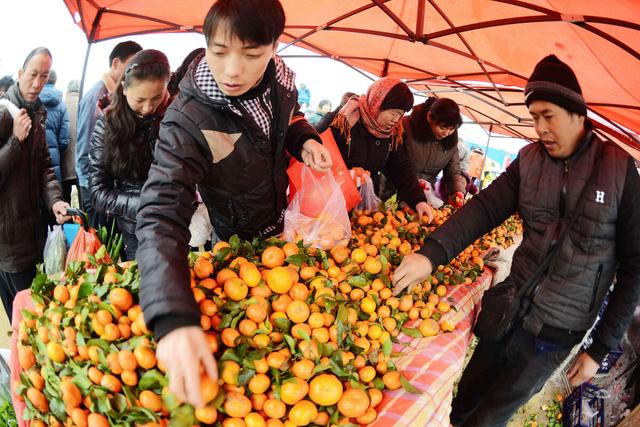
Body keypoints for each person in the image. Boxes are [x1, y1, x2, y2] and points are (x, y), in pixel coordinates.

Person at [392, 54, 640, 426]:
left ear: (577, 113)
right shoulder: (528, 161)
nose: (540, 127)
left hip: (555, 334)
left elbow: (635, 267)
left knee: (492, 416)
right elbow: (485, 209)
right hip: (508, 309)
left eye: (548, 115)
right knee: (463, 405)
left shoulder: (620, 171)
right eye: (534, 116)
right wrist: (431, 254)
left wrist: (599, 347)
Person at [136, 0, 331, 408]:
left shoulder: (281, 83)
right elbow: (160, 210)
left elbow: (287, 121)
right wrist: (170, 315)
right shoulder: (187, 118)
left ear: (275, 47)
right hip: (235, 240)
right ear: (206, 44)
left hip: (280, 223)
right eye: (219, 52)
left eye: (252, 54)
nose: (232, 70)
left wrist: (305, 139)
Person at [0, 48, 70, 322]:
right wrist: (16, 141)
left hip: (35, 233)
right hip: (9, 242)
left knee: (38, 312)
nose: (38, 82)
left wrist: (56, 200)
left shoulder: (38, 113)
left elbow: (45, 168)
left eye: (44, 76)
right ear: (20, 74)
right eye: (32, 74)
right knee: (26, 319)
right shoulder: (4, 115)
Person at [89, 50, 170, 261]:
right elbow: (98, 192)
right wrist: (147, 203)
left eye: (157, 98)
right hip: (135, 231)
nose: (148, 107)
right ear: (124, 89)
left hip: (176, 224)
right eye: (140, 99)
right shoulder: (107, 125)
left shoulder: (172, 116)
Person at [328, 78, 432, 221]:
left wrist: (418, 200)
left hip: (363, 211)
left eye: (400, 114)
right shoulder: (344, 118)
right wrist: (345, 174)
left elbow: (400, 167)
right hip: (331, 203)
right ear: (378, 103)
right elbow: (318, 151)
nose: (396, 120)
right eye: (393, 112)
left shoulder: (392, 133)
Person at [76, 40, 142, 227]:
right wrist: (88, 189)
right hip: (95, 187)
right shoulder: (97, 96)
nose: (134, 71)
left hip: (113, 190)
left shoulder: (118, 94)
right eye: (131, 65)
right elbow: (86, 147)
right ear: (115, 63)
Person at [401, 97, 466, 207]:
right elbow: (395, 161)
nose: (446, 133)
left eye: (451, 129)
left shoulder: (451, 143)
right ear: (429, 117)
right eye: (442, 127)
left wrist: (458, 191)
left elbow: (453, 172)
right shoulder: (406, 127)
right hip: (396, 193)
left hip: (424, 197)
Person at [40, 70, 70, 184]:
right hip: (53, 156)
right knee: (54, 192)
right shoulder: (62, 105)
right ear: (55, 81)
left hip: (34, 154)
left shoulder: (32, 100)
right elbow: (64, 139)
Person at [62, 80, 80, 203]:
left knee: (65, 205)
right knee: (86, 203)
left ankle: (69, 223)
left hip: (64, 164)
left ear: (67, 92)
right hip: (82, 164)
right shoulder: (84, 104)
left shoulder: (62, 105)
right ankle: (86, 222)